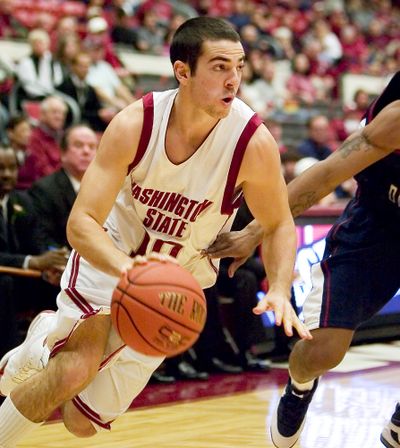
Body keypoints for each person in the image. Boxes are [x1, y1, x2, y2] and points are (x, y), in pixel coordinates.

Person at [0, 17, 310, 446]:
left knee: (79, 420)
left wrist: (278, 286)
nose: (234, 79)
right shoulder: (136, 123)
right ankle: (50, 349)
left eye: (239, 66)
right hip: (109, 257)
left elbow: (278, 223)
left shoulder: (252, 142)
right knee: (73, 367)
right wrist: (128, 271)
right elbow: (80, 224)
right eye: (220, 67)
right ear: (183, 72)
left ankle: (44, 341)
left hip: (174, 288)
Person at [205, 71, 400, 448]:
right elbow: (327, 174)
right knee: (324, 349)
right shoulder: (392, 125)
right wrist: (252, 232)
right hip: (375, 225)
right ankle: (299, 387)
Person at [0, 145, 68, 358]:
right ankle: (6, 365)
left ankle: (54, 359)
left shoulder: (23, 201)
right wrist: (32, 261)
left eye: (12, 168)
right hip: (6, 282)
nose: (7, 175)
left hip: (24, 280)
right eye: (1, 168)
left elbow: (37, 241)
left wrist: (52, 264)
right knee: (4, 285)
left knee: (62, 282)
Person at [28, 124, 98, 250]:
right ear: (63, 152)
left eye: (92, 147)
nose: (86, 151)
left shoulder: (104, 188)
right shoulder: (44, 189)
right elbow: (42, 239)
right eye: (78, 145)